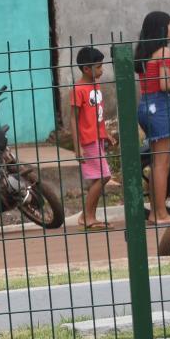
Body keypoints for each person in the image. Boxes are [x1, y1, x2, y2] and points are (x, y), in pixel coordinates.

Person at [135, 11, 170, 225]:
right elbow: (165, 85)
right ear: (162, 29)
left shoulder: (145, 52)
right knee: (162, 163)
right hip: (160, 107)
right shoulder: (164, 51)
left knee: (156, 163)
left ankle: (156, 211)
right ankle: (160, 213)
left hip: (146, 106)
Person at [71, 46, 114, 230]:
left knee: (98, 178)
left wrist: (107, 134)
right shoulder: (79, 89)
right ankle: (87, 216)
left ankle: (88, 216)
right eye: (98, 67)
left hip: (98, 138)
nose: (101, 70)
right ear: (87, 69)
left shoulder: (95, 86)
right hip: (87, 140)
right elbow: (74, 118)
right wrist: (77, 145)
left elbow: (98, 115)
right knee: (104, 176)